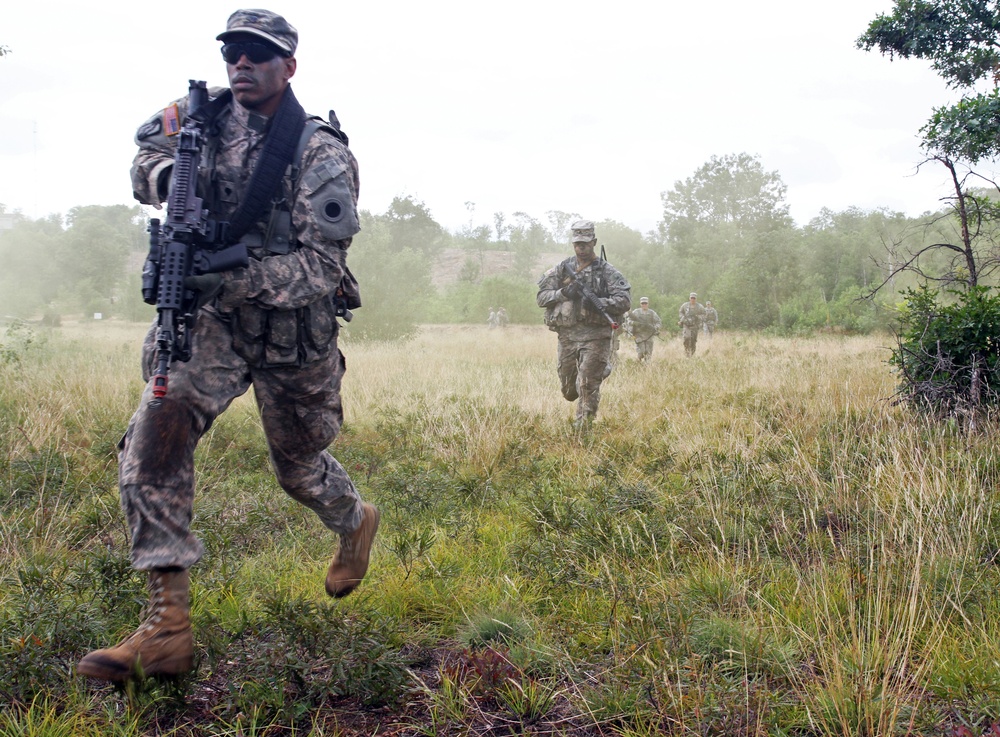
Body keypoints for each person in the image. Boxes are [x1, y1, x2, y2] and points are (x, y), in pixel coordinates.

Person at [77, 9, 379, 683]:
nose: (241, 64)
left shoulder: (319, 152)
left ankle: (355, 520)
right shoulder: (196, 117)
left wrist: (234, 276)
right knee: (156, 432)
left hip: (290, 331)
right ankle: (166, 626)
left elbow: (321, 270)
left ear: (287, 67)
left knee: (299, 468)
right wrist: (164, 182)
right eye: (232, 52)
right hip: (208, 321)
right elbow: (141, 159)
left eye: (257, 54)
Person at [536, 220, 631, 426]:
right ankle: (603, 370)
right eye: (577, 243)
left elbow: (624, 301)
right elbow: (541, 297)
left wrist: (600, 302)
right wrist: (562, 293)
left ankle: (583, 430)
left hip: (597, 335)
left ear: (594, 242)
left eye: (585, 243)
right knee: (570, 390)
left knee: (587, 384)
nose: (581, 247)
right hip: (568, 336)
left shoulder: (607, 272)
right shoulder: (563, 269)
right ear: (573, 244)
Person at [628, 297, 661, 362]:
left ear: (648, 304)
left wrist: (655, 327)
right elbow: (628, 320)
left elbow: (659, 322)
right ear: (640, 304)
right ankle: (638, 362)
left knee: (648, 353)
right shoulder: (636, 312)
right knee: (642, 351)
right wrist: (634, 323)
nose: (644, 305)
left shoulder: (652, 313)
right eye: (643, 303)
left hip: (649, 335)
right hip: (638, 334)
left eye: (645, 303)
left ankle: (647, 368)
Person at [678, 292, 706, 357]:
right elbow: (680, 312)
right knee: (686, 338)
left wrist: (698, 317)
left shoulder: (700, 307)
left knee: (693, 341)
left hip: (695, 325)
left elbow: (704, 314)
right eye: (691, 298)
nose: (693, 299)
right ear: (689, 298)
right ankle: (687, 352)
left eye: (694, 298)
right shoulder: (685, 305)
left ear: (696, 299)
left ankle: (692, 354)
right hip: (686, 325)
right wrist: (683, 318)